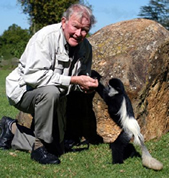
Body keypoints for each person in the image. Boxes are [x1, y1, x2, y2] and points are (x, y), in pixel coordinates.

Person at [0, 3, 98, 165]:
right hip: (24, 91)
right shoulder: (45, 37)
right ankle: (39, 148)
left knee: (57, 148)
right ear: (64, 22)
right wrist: (73, 80)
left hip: (55, 98)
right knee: (51, 92)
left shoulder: (86, 48)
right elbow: (33, 77)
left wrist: (84, 85)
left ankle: (12, 129)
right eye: (75, 27)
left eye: (84, 30)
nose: (79, 33)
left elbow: (78, 79)